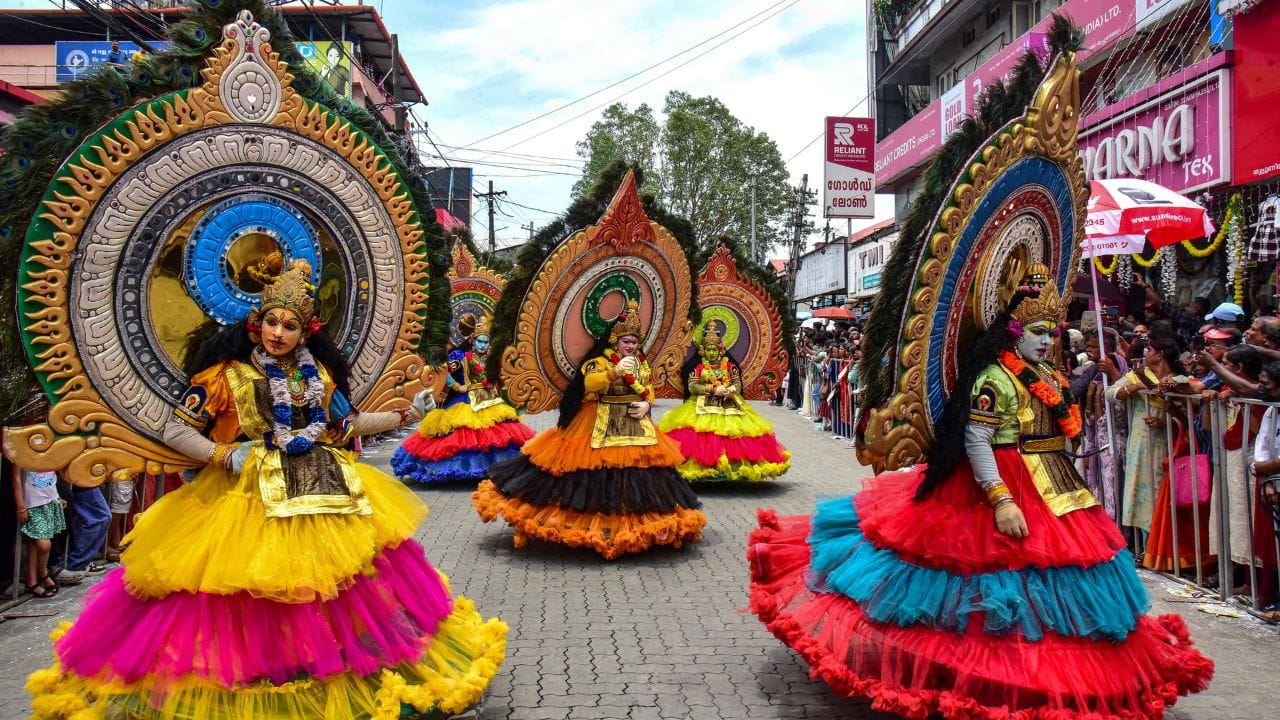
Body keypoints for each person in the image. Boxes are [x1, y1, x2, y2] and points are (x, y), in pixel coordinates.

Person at [28, 255, 508, 719]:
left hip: (322, 490)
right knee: (246, 590)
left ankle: (320, 668)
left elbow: (345, 424)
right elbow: (176, 429)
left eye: (290, 326)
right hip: (241, 498)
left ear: (307, 332)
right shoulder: (224, 375)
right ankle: (250, 677)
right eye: (272, 322)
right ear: (256, 323)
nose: (279, 333)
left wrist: (408, 413)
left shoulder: (316, 376)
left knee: (329, 586)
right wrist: (223, 454)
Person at [749, 265, 1212, 718]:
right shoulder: (996, 377)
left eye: (1052, 331)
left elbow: (1063, 425)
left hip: (1056, 485)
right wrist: (1001, 499)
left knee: (1057, 592)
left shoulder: (1047, 375)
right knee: (984, 590)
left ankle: (1047, 678)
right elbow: (977, 439)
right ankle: (976, 676)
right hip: (1003, 483)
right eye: (1037, 331)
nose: (1047, 340)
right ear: (1013, 332)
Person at [473, 300, 706, 559]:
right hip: (597, 419)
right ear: (614, 342)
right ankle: (589, 525)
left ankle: (636, 525)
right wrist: (614, 372)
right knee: (593, 474)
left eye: (634, 342)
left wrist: (646, 403)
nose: (630, 346)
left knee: (637, 476)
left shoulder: (641, 363)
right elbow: (591, 383)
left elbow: (649, 387)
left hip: (634, 422)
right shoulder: (599, 362)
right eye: (626, 342)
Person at [392, 314, 533, 484]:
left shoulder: (489, 357)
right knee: (465, 437)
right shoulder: (460, 355)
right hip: (465, 401)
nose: (483, 345)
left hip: (489, 399)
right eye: (480, 341)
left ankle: (496, 468)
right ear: (473, 340)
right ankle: (464, 468)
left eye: (486, 342)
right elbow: (445, 371)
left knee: (495, 436)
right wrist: (458, 386)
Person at [658, 323, 791, 482]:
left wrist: (732, 389)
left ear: (721, 349)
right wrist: (713, 390)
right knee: (705, 437)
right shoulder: (699, 367)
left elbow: (738, 383)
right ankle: (706, 468)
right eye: (709, 350)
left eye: (715, 349)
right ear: (703, 350)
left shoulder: (729, 366)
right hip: (701, 406)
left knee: (734, 436)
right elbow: (692, 386)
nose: (712, 353)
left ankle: (733, 468)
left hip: (730, 404)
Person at [13, 468, 65, 599]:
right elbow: (16, 478)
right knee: (44, 544)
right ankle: (43, 573)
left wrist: (57, 497)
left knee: (34, 542)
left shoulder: (48, 450)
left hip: (49, 501)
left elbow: (51, 474)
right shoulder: (21, 451)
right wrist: (20, 506)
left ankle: (32, 580)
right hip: (32, 504)